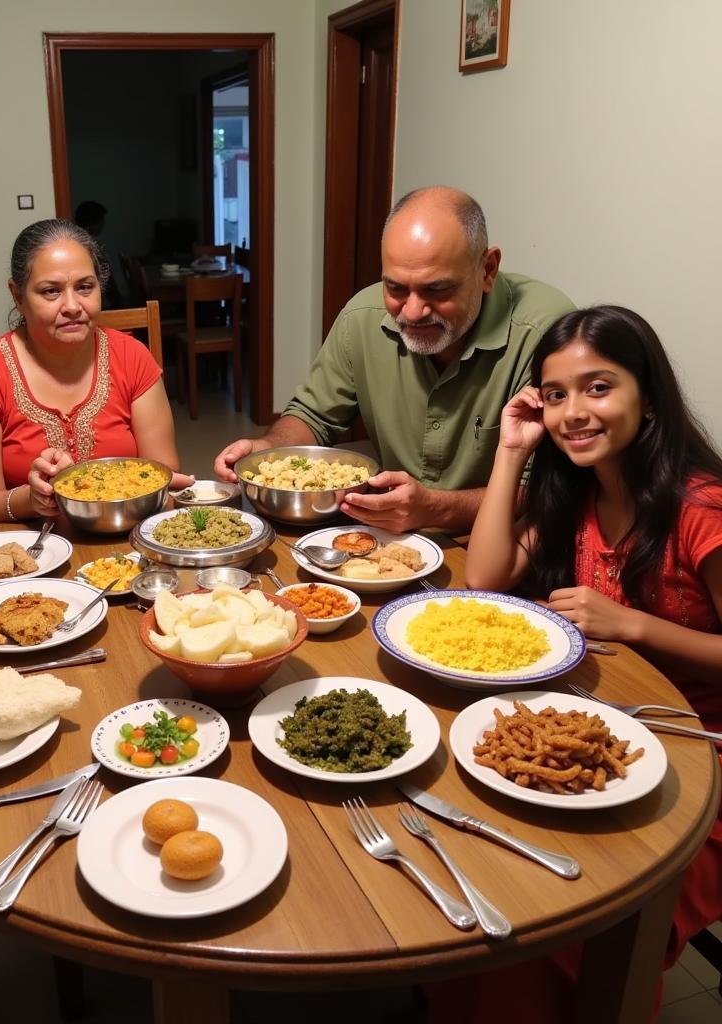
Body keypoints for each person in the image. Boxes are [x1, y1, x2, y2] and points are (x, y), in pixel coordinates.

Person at [456, 304, 722, 1019]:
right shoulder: (579, 489)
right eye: (555, 394)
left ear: (649, 396)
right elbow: (483, 577)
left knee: (570, 920)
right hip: (597, 738)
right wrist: (512, 450)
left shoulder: (702, 509)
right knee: (481, 875)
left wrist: (633, 625)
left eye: (598, 388)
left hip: (704, 760)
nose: (574, 412)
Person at [213, 186, 572, 534]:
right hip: (391, 536)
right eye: (396, 288)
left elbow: (544, 491)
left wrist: (434, 508)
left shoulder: (547, 334)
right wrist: (267, 449)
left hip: (504, 548)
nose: (413, 312)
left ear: (487, 270)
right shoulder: (361, 317)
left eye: (437, 289)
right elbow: (314, 415)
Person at [0, 219, 191, 523]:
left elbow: (162, 470)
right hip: (30, 549)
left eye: (84, 287)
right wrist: (33, 497)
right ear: (17, 295)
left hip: (123, 533)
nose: (72, 306)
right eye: (51, 291)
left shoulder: (132, 357)